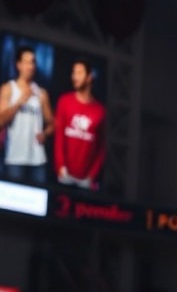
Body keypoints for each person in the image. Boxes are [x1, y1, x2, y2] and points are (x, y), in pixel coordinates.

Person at [0, 45, 54, 184]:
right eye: (27, 62)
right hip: (15, 157)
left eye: (33, 62)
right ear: (19, 65)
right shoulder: (8, 89)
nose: (30, 66)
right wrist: (20, 102)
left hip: (37, 159)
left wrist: (45, 134)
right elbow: (1, 121)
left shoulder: (41, 93)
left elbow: (52, 123)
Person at [54, 59, 106, 190]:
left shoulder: (100, 111)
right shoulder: (64, 101)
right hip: (65, 175)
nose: (74, 77)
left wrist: (92, 176)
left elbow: (102, 147)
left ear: (89, 77)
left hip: (86, 181)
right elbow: (59, 137)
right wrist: (60, 167)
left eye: (79, 73)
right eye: (73, 73)